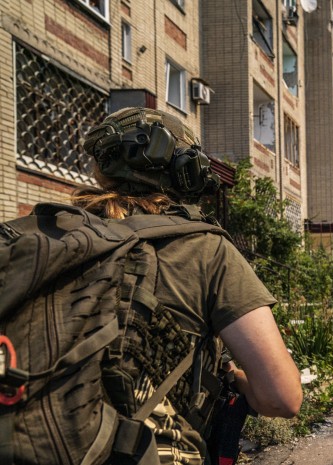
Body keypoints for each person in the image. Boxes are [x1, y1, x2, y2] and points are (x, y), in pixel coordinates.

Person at [77, 107, 303, 463]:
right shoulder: (205, 249)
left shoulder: (53, 240)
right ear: (183, 168)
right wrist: (236, 382)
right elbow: (282, 397)